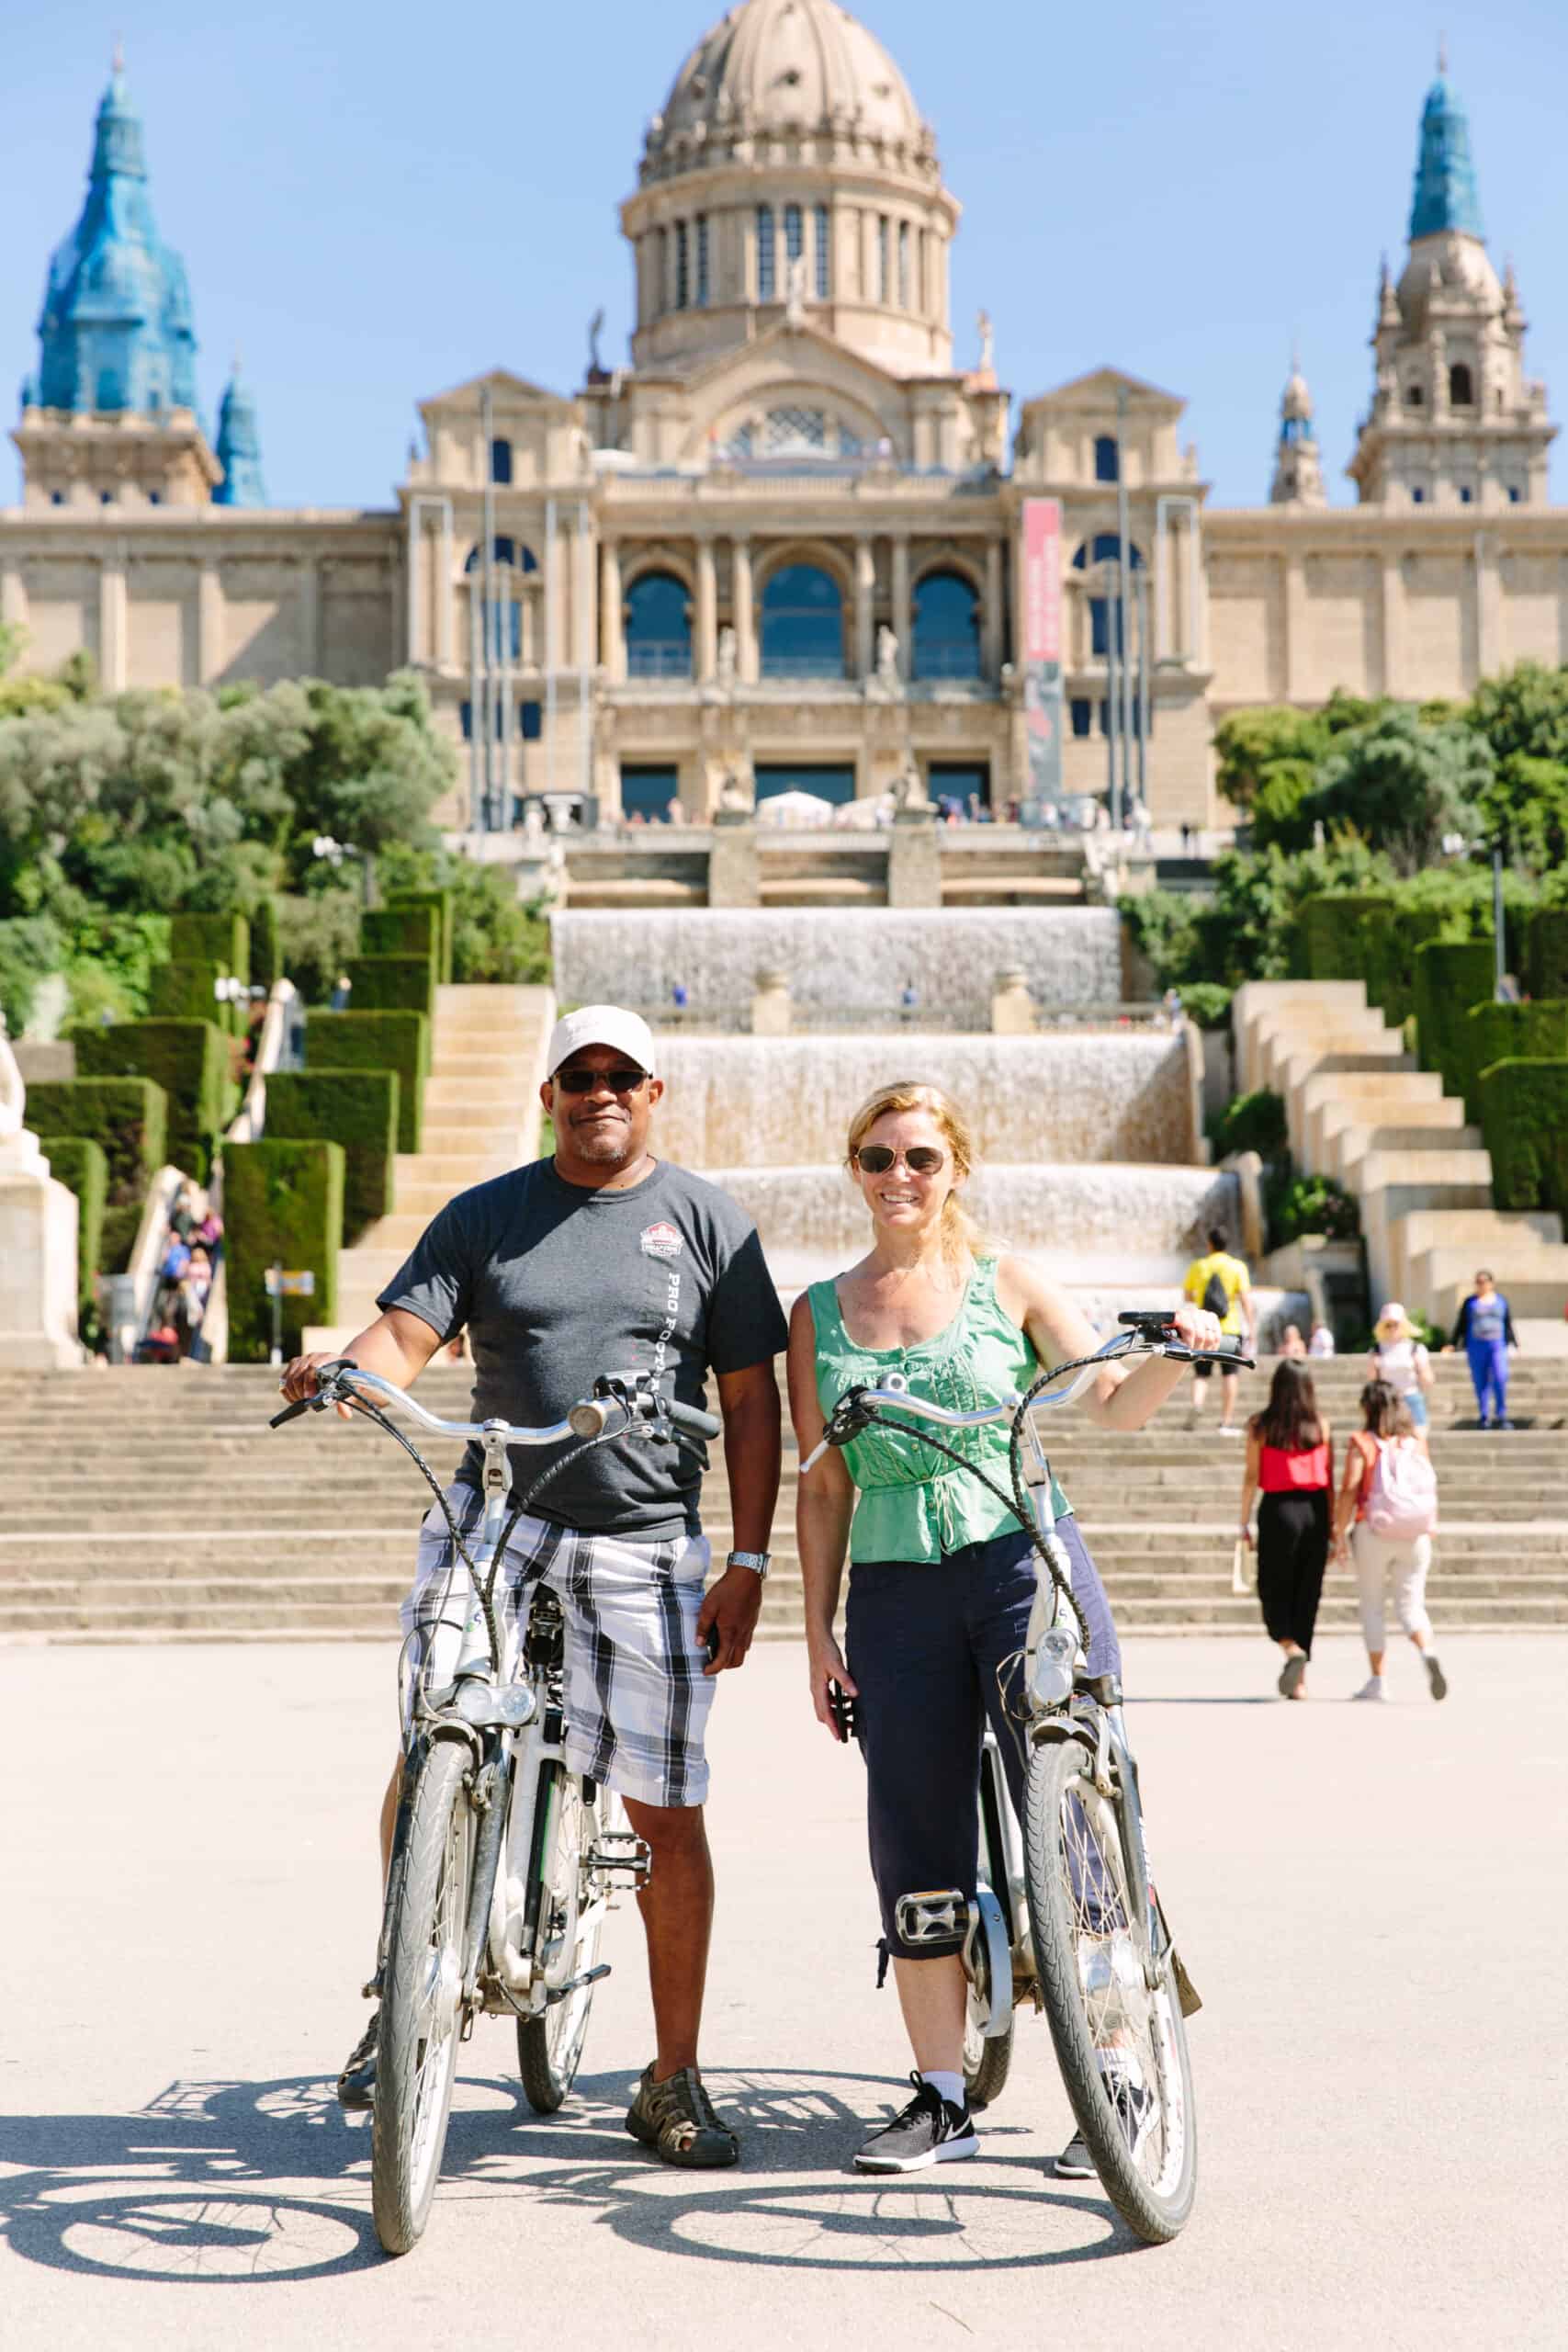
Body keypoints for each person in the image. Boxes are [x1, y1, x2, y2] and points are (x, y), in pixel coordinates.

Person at [278, 1004, 788, 2168]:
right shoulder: (487, 1214)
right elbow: (406, 1334)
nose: (599, 1090)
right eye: (579, 1074)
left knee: (665, 1805)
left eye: (622, 1075)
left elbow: (753, 1404)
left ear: (656, 1091)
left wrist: (751, 1563)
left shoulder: (710, 1223)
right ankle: (404, 1975)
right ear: (549, 1091)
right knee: (433, 1732)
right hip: (497, 1510)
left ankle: (672, 2076)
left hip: (646, 1533)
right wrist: (347, 1370)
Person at [786, 1079, 1221, 2179]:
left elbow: (1111, 1396)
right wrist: (817, 1630)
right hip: (891, 1590)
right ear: (855, 1170)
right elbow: (824, 1484)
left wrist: (1181, 1343)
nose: (899, 1177)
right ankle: (941, 2097)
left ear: (956, 1170)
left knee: (1081, 1828)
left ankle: (1119, 2071)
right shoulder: (819, 1312)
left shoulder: (1008, 1282)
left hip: (1023, 1565)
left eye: (920, 1158)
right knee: (914, 1835)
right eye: (878, 1158)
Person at [1332, 1380, 1448, 1703]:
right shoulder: (1415, 1442)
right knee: (1411, 1603)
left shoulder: (1363, 1442)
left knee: (1372, 1605)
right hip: (1416, 1534)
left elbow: (1350, 1489)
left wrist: (1338, 1531)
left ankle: (1378, 1680)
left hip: (1374, 1531)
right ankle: (1427, 1651)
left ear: (1367, 1408)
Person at [1237, 1362, 1333, 1699]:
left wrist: (1243, 1521)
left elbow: (1251, 1477)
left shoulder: (1260, 1425)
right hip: (1316, 1511)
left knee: (1273, 1588)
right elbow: (1330, 1479)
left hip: (1278, 1511)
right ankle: (1301, 1682)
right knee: (1307, 1592)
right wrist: (1334, 1529)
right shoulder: (1321, 1425)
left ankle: (1290, 1647)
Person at [1182, 1225, 1255, 1431]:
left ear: (1210, 1244)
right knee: (1229, 1374)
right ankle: (1226, 1419)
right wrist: (1251, 1329)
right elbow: (1246, 1301)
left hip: (1205, 1329)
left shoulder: (1199, 1266)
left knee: (1201, 1374)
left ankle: (1197, 1405)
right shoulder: (1237, 1267)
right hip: (1230, 1329)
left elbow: (1187, 1297)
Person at [1450, 1271, 1517, 1428]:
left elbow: (1507, 1323)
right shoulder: (1470, 1302)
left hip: (1497, 1344)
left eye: (1484, 1281)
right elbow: (1461, 1323)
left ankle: (1501, 1415)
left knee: (1500, 1376)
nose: (1481, 1284)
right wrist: (1453, 1342)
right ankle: (1484, 1415)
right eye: (1478, 1282)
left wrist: (1514, 1343)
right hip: (1476, 1345)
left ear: (1491, 1283)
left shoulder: (1501, 1301)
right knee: (1480, 1381)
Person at [1368, 1301, 1435, 1430]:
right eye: (1388, 1325)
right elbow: (1372, 1381)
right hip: (1386, 1401)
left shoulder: (1415, 1348)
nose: (1392, 1328)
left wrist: (1419, 1367)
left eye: (1396, 1324)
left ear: (1403, 1325)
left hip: (1411, 1399)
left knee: (1418, 1440)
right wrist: (1373, 1365)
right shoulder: (1376, 1350)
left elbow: (1429, 1380)